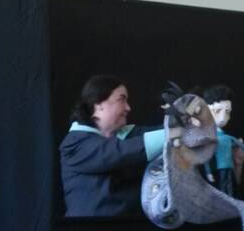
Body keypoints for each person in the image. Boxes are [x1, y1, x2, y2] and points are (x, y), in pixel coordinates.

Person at [59, 74, 166, 217]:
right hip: (89, 229)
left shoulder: (122, 135)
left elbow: (161, 131)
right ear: (98, 104)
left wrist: (187, 122)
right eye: (122, 99)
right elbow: (120, 152)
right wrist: (175, 134)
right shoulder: (74, 145)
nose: (128, 108)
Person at [202, 84, 244, 196]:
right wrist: (208, 172)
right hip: (208, 181)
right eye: (217, 111)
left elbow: (241, 146)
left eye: (227, 112)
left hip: (226, 168)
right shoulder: (204, 137)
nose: (223, 118)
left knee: (228, 186)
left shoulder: (227, 138)